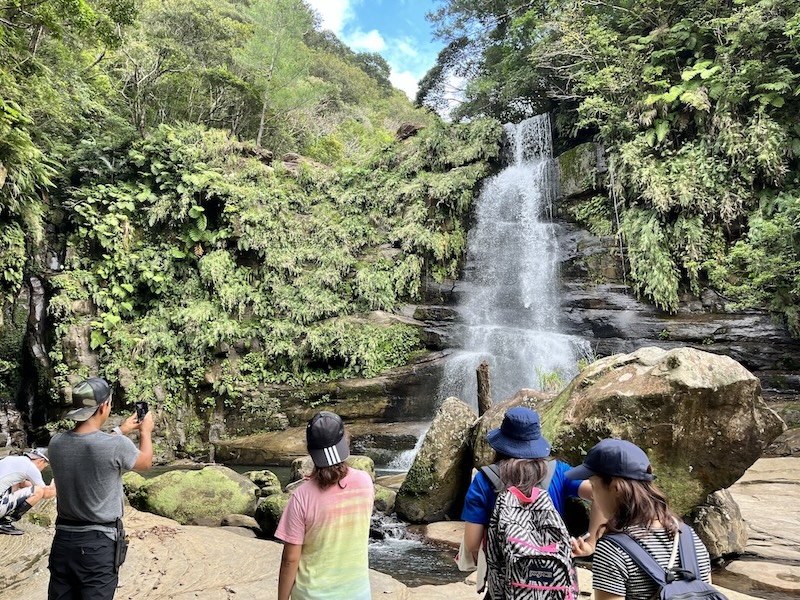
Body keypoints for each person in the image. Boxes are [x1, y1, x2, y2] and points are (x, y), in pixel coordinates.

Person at [47, 376, 154, 600]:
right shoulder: (115, 446)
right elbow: (144, 463)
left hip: (64, 541)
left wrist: (120, 429)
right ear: (104, 406)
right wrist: (145, 432)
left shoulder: (56, 443)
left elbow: (90, 445)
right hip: (98, 545)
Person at [565, 438, 713, 600]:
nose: (592, 494)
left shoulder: (612, 550)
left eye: (594, 486)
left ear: (615, 488)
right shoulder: (690, 538)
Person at [461, 406, 603, 567]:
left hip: (507, 577)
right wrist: (591, 543)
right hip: (554, 577)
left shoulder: (484, 479)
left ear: (502, 442)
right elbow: (600, 493)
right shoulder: (558, 471)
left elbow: (472, 544)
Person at [275, 411, 374, 600]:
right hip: (357, 594)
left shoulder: (302, 497)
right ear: (345, 441)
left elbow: (290, 559)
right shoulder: (365, 482)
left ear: (309, 449)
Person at [0, 448, 57, 535]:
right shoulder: (30, 467)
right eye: (44, 466)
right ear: (41, 461)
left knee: (17, 483)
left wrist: (46, 487)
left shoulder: (10, 459)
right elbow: (44, 494)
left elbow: (22, 483)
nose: (42, 469)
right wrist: (56, 489)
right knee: (38, 491)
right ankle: (5, 523)